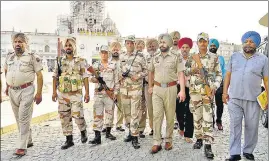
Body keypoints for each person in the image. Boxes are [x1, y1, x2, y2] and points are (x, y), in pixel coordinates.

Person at [223, 31, 268, 161]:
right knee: (235, 125)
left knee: (252, 126)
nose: (248, 44)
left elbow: (266, 79)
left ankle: (248, 150)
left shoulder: (263, 60)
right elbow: (228, 75)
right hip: (235, 98)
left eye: (251, 41)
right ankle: (235, 153)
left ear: (256, 44)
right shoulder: (234, 56)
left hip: (253, 99)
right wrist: (225, 92)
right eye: (246, 41)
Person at [4, 33, 43, 156]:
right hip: (12, 91)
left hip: (26, 90)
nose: (17, 44)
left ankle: (22, 146)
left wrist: (39, 93)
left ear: (26, 43)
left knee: (23, 117)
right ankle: (29, 140)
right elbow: (6, 71)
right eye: (15, 42)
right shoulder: (9, 57)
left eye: (20, 41)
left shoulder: (32, 57)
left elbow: (40, 75)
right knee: (18, 118)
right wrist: (6, 87)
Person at [184, 32, 222, 159]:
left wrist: (215, 87)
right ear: (197, 42)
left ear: (208, 42)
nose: (203, 43)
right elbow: (185, 71)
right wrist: (192, 70)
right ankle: (199, 138)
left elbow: (219, 75)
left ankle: (208, 145)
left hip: (207, 93)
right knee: (197, 117)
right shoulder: (192, 57)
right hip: (194, 92)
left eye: (205, 41)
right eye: (200, 41)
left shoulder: (214, 57)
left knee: (207, 118)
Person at [148, 33, 186, 154]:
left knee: (170, 116)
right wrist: (150, 86)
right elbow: (150, 72)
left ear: (169, 43)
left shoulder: (176, 56)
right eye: (160, 42)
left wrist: (182, 90)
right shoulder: (155, 56)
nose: (162, 44)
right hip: (157, 89)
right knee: (157, 115)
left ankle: (168, 140)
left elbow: (181, 73)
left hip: (171, 88)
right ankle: (156, 142)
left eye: (164, 42)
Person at [52, 37, 89, 150]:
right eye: (66, 45)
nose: (68, 47)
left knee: (78, 115)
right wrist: (54, 92)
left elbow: (85, 77)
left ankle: (83, 131)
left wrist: (87, 92)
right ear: (64, 47)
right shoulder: (59, 61)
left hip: (76, 93)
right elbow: (55, 76)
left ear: (74, 46)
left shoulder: (81, 60)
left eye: (70, 45)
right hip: (63, 94)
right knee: (64, 116)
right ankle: (69, 139)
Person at [120, 35, 147, 149]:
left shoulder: (140, 56)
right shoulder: (122, 56)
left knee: (135, 113)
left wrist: (138, 75)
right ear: (125, 44)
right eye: (128, 43)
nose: (130, 45)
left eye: (131, 43)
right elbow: (118, 71)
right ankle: (130, 133)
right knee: (126, 113)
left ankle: (135, 137)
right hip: (124, 89)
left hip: (135, 89)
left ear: (134, 44)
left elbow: (146, 70)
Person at [89, 45, 119, 145]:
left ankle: (108, 132)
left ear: (108, 53)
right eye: (102, 52)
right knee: (98, 114)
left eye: (106, 52)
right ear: (100, 54)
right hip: (98, 94)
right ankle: (97, 136)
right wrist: (96, 79)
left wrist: (116, 93)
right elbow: (89, 78)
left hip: (109, 93)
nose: (104, 54)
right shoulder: (95, 65)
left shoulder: (113, 65)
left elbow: (117, 80)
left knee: (109, 114)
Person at [176, 37, 194, 143]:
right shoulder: (176, 59)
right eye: (183, 47)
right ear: (180, 48)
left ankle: (188, 134)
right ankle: (181, 126)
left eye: (187, 47)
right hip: (178, 87)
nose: (185, 49)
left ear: (190, 48)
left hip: (190, 87)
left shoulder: (193, 59)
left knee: (189, 111)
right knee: (179, 110)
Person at [208, 38, 226, 130]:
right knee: (209, 104)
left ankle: (219, 121)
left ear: (217, 47)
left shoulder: (221, 58)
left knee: (219, 104)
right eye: (211, 46)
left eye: (214, 46)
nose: (212, 47)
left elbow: (224, 71)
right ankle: (211, 121)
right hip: (208, 84)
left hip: (219, 84)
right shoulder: (205, 57)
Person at [143, 38, 159, 136]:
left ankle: (158, 128)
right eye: (149, 46)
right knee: (150, 108)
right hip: (147, 86)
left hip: (158, 85)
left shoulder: (160, 56)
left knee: (158, 109)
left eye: (153, 45)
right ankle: (153, 128)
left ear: (157, 46)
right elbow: (143, 70)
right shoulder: (144, 57)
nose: (151, 47)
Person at [110, 41, 125, 132]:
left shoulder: (122, 61)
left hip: (121, 86)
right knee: (109, 106)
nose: (115, 51)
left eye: (117, 49)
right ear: (110, 50)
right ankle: (107, 125)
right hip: (111, 87)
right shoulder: (108, 61)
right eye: (114, 49)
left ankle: (119, 124)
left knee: (120, 106)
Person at [135, 39, 147, 138]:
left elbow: (147, 70)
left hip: (144, 85)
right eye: (138, 44)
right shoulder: (132, 56)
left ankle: (141, 129)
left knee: (143, 108)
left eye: (141, 44)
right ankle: (133, 128)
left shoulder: (145, 56)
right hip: (134, 86)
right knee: (135, 108)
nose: (139, 46)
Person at [170, 31, 181, 130]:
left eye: (177, 37)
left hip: (181, 80)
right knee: (173, 101)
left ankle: (180, 119)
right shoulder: (168, 50)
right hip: (172, 79)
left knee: (180, 102)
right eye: (173, 38)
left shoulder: (182, 50)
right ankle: (174, 121)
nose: (175, 39)